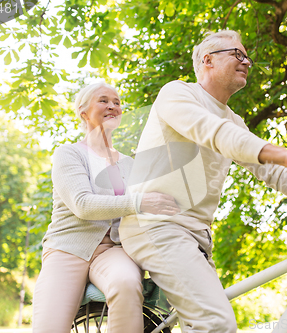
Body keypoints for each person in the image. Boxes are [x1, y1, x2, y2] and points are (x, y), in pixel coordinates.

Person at [119, 30, 287, 333]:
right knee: (217, 324)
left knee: (207, 321)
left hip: (195, 236)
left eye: (247, 57)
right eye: (237, 54)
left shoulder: (234, 121)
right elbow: (213, 132)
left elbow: (268, 169)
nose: (246, 62)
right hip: (157, 226)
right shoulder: (177, 93)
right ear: (208, 60)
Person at [32, 82, 179, 333]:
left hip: (114, 250)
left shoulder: (131, 163)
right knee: (49, 327)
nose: (112, 105)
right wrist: (140, 203)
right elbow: (83, 204)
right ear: (83, 112)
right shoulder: (69, 154)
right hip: (68, 249)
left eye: (117, 102)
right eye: (103, 100)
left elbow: (148, 209)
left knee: (126, 283)